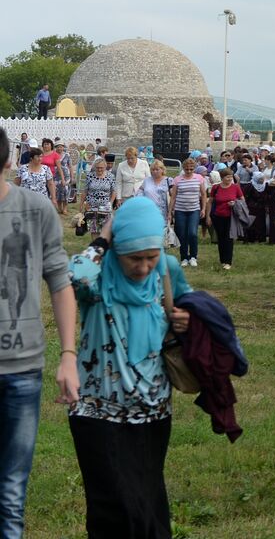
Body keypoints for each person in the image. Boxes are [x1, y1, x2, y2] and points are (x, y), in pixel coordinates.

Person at [67, 197, 193, 537]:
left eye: (151, 256)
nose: (143, 267)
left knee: (148, 497)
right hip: (97, 413)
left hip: (153, 410)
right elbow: (73, 273)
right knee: (112, 504)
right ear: (116, 250)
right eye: (134, 258)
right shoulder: (95, 280)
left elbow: (190, 309)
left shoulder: (167, 270)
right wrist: (108, 231)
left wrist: (184, 320)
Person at [0, 128, 79, 539]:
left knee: (10, 492)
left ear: (7, 163)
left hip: (22, 366)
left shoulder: (36, 210)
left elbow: (60, 283)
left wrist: (68, 355)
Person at [168, 157, 207, 268]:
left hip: (194, 209)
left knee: (192, 233)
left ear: (194, 168)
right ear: (183, 169)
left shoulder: (199, 178)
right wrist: (170, 212)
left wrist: (203, 208)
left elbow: (203, 194)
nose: (189, 171)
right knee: (182, 235)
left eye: (191, 169)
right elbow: (173, 197)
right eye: (186, 169)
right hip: (180, 210)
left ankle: (193, 256)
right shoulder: (177, 179)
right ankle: (184, 257)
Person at [208, 167, 245, 271]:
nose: (229, 179)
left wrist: (235, 203)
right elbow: (210, 202)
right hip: (218, 216)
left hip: (231, 216)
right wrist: (208, 216)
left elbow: (243, 200)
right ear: (222, 177)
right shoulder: (216, 188)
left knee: (229, 239)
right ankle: (222, 260)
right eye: (227, 177)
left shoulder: (236, 187)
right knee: (221, 239)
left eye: (230, 177)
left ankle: (228, 261)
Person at [80, 157, 116, 236]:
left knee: (105, 229)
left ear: (105, 167)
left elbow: (113, 191)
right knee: (94, 229)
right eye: (98, 168)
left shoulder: (111, 176)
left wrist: (111, 203)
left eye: (101, 168)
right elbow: (85, 191)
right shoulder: (90, 176)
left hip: (105, 206)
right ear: (95, 167)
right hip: (91, 206)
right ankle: (95, 246)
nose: (99, 169)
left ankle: (103, 246)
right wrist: (81, 205)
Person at [114, 147, 151, 211]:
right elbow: (118, 183)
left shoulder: (144, 163)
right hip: (126, 196)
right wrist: (118, 198)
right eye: (128, 158)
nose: (130, 160)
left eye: (132, 158)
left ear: (136, 156)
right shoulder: (121, 165)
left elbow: (148, 180)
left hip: (141, 195)